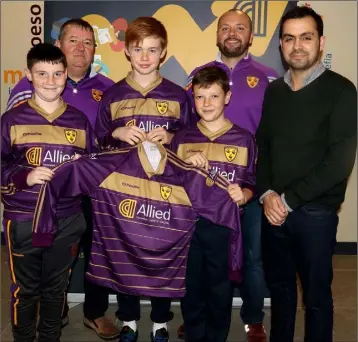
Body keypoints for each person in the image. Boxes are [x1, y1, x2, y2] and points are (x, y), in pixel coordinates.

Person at [30, 139, 243, 342]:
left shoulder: (183, 171)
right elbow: (60, 177)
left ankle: (160, 323)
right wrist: (43, 230)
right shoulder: (110, 165)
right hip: (125, 241)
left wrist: (235, 256)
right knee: (124, 258)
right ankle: (128, 321)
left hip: (164, 247)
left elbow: (224, 201)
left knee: (163, 272)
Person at [6, 19, 119, 340]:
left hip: (78, 205)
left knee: (70, 275)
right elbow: (8, 158)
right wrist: (26, 176)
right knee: (28, 287)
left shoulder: (95, 102)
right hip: (29, 210)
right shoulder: (18, 106)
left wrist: (86, 163)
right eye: (74, 40)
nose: (81, 48)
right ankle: (29, 330)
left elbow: (98, 152)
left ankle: (75, 323)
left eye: (87, 42)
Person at [256, 6, 357, 342]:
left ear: (321, 42)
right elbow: (264, 148)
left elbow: (338, 163)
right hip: (273, 212)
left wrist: (288, 200)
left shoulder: (341, 91)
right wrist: (267, 193)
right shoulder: (274, 92)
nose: (297, 45)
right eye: (289, 38)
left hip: (315, 214)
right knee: (281, 293)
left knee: (316, 298)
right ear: (281, 46)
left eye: (306, 37)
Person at [179, 9, 279, 341]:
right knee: (199, 262)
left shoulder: (268, 77)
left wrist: (256, 187)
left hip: (246, 185)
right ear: (217, 34)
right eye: (225, 28)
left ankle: (253, 317)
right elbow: (182, 125)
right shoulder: (198, 75)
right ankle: (198, 316)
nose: (232, 33)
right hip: (201, 195)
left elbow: (277, 134)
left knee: (250, 256)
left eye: (240, 28)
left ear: (251, 36)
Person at [170, 65, 257, 342]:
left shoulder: (243, 138)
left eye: (214, 96)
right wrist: (185, 168)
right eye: (200, 97)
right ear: (192, 98)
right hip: (189, 227)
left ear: (227, 97)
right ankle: (194, 335)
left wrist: (244, 195)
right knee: (192, 288)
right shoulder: (183, 137)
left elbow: (252, 181)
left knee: (220, 290)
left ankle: (217, 336)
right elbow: (168, 182)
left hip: (224, 227)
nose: (206, 104)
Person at [95, 16, 191, 150]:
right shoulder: (111, 96)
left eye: (152, 50)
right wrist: (116, 134)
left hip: (167, 171)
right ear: (127, 50)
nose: (144, 57)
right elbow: (98, 144)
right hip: (122, 171)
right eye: (138, 49)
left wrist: (170, 138)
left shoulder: (178, 96)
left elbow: (191, 142)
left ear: (162, 52)